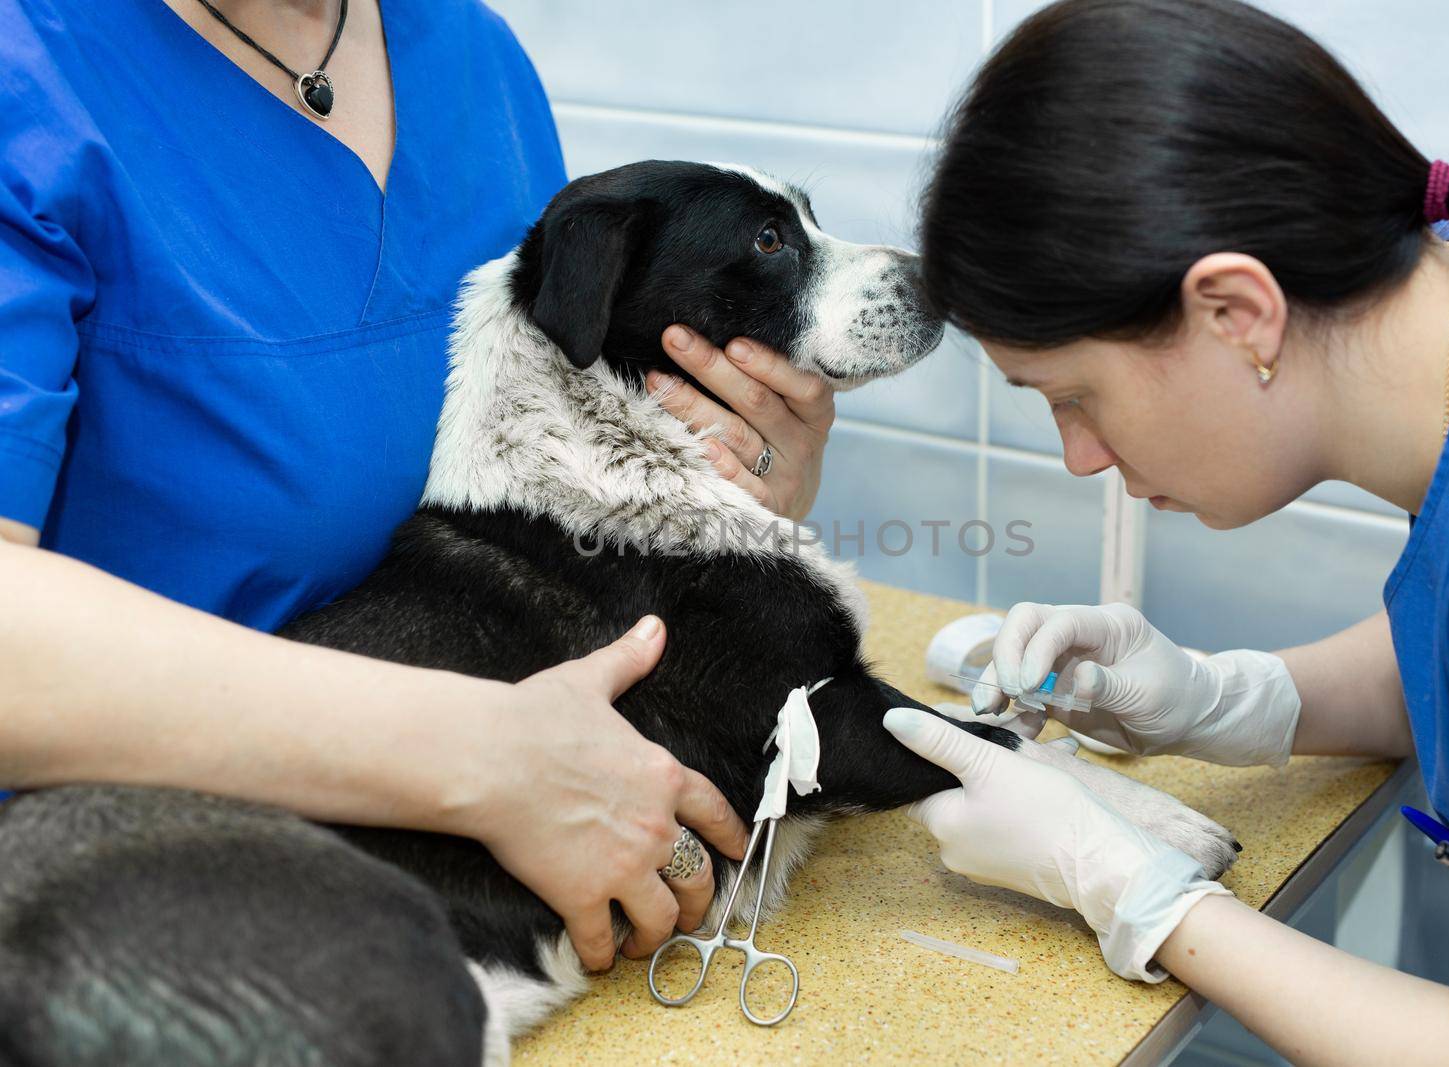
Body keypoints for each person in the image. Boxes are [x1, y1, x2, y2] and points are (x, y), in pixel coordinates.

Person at [0, 0, 833, 980]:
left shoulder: (469, 55)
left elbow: (562, 466)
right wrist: (485, 756)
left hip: (464, 897)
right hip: (117, 922)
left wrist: (738, 486)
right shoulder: (33, 83)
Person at [886, 0, 1449, 1061]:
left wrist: (1135, 891)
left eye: (1073, 393)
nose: (1079, 456)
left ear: (1234, 310)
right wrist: (1224, 699)